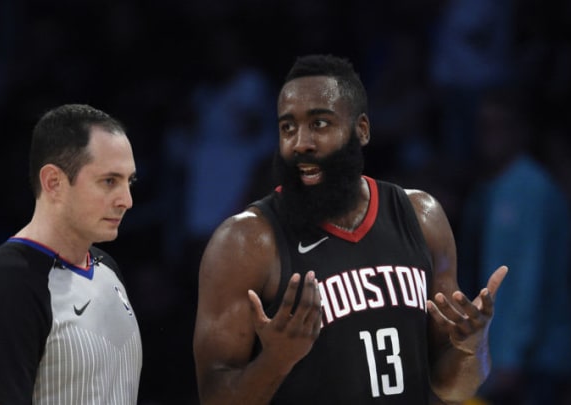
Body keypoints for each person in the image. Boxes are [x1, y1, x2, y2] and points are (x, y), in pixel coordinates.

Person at [193, 54, 508, 404]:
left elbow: (452, 387)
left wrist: (472, 348)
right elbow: (213, 397)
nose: (301, 143)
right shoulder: (245, 242)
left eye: (320, 124)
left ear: (361, 130)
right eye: (288, 127)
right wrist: (275, 362)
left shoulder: (421, 217)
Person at [0, 104, 142, 404]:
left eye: (129, 181)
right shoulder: (7, 282)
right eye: (109, 181)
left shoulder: (107, 269)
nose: (127, 200)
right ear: (53, 182)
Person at [458, 87, 571, 405]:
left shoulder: (533, 189)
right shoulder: (484, 189)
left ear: (520, 131)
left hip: (532, 359)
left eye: (500, 125)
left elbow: (530, 278)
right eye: (484, 126)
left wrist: (513, 356)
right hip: (495, 352)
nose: (490, 135)